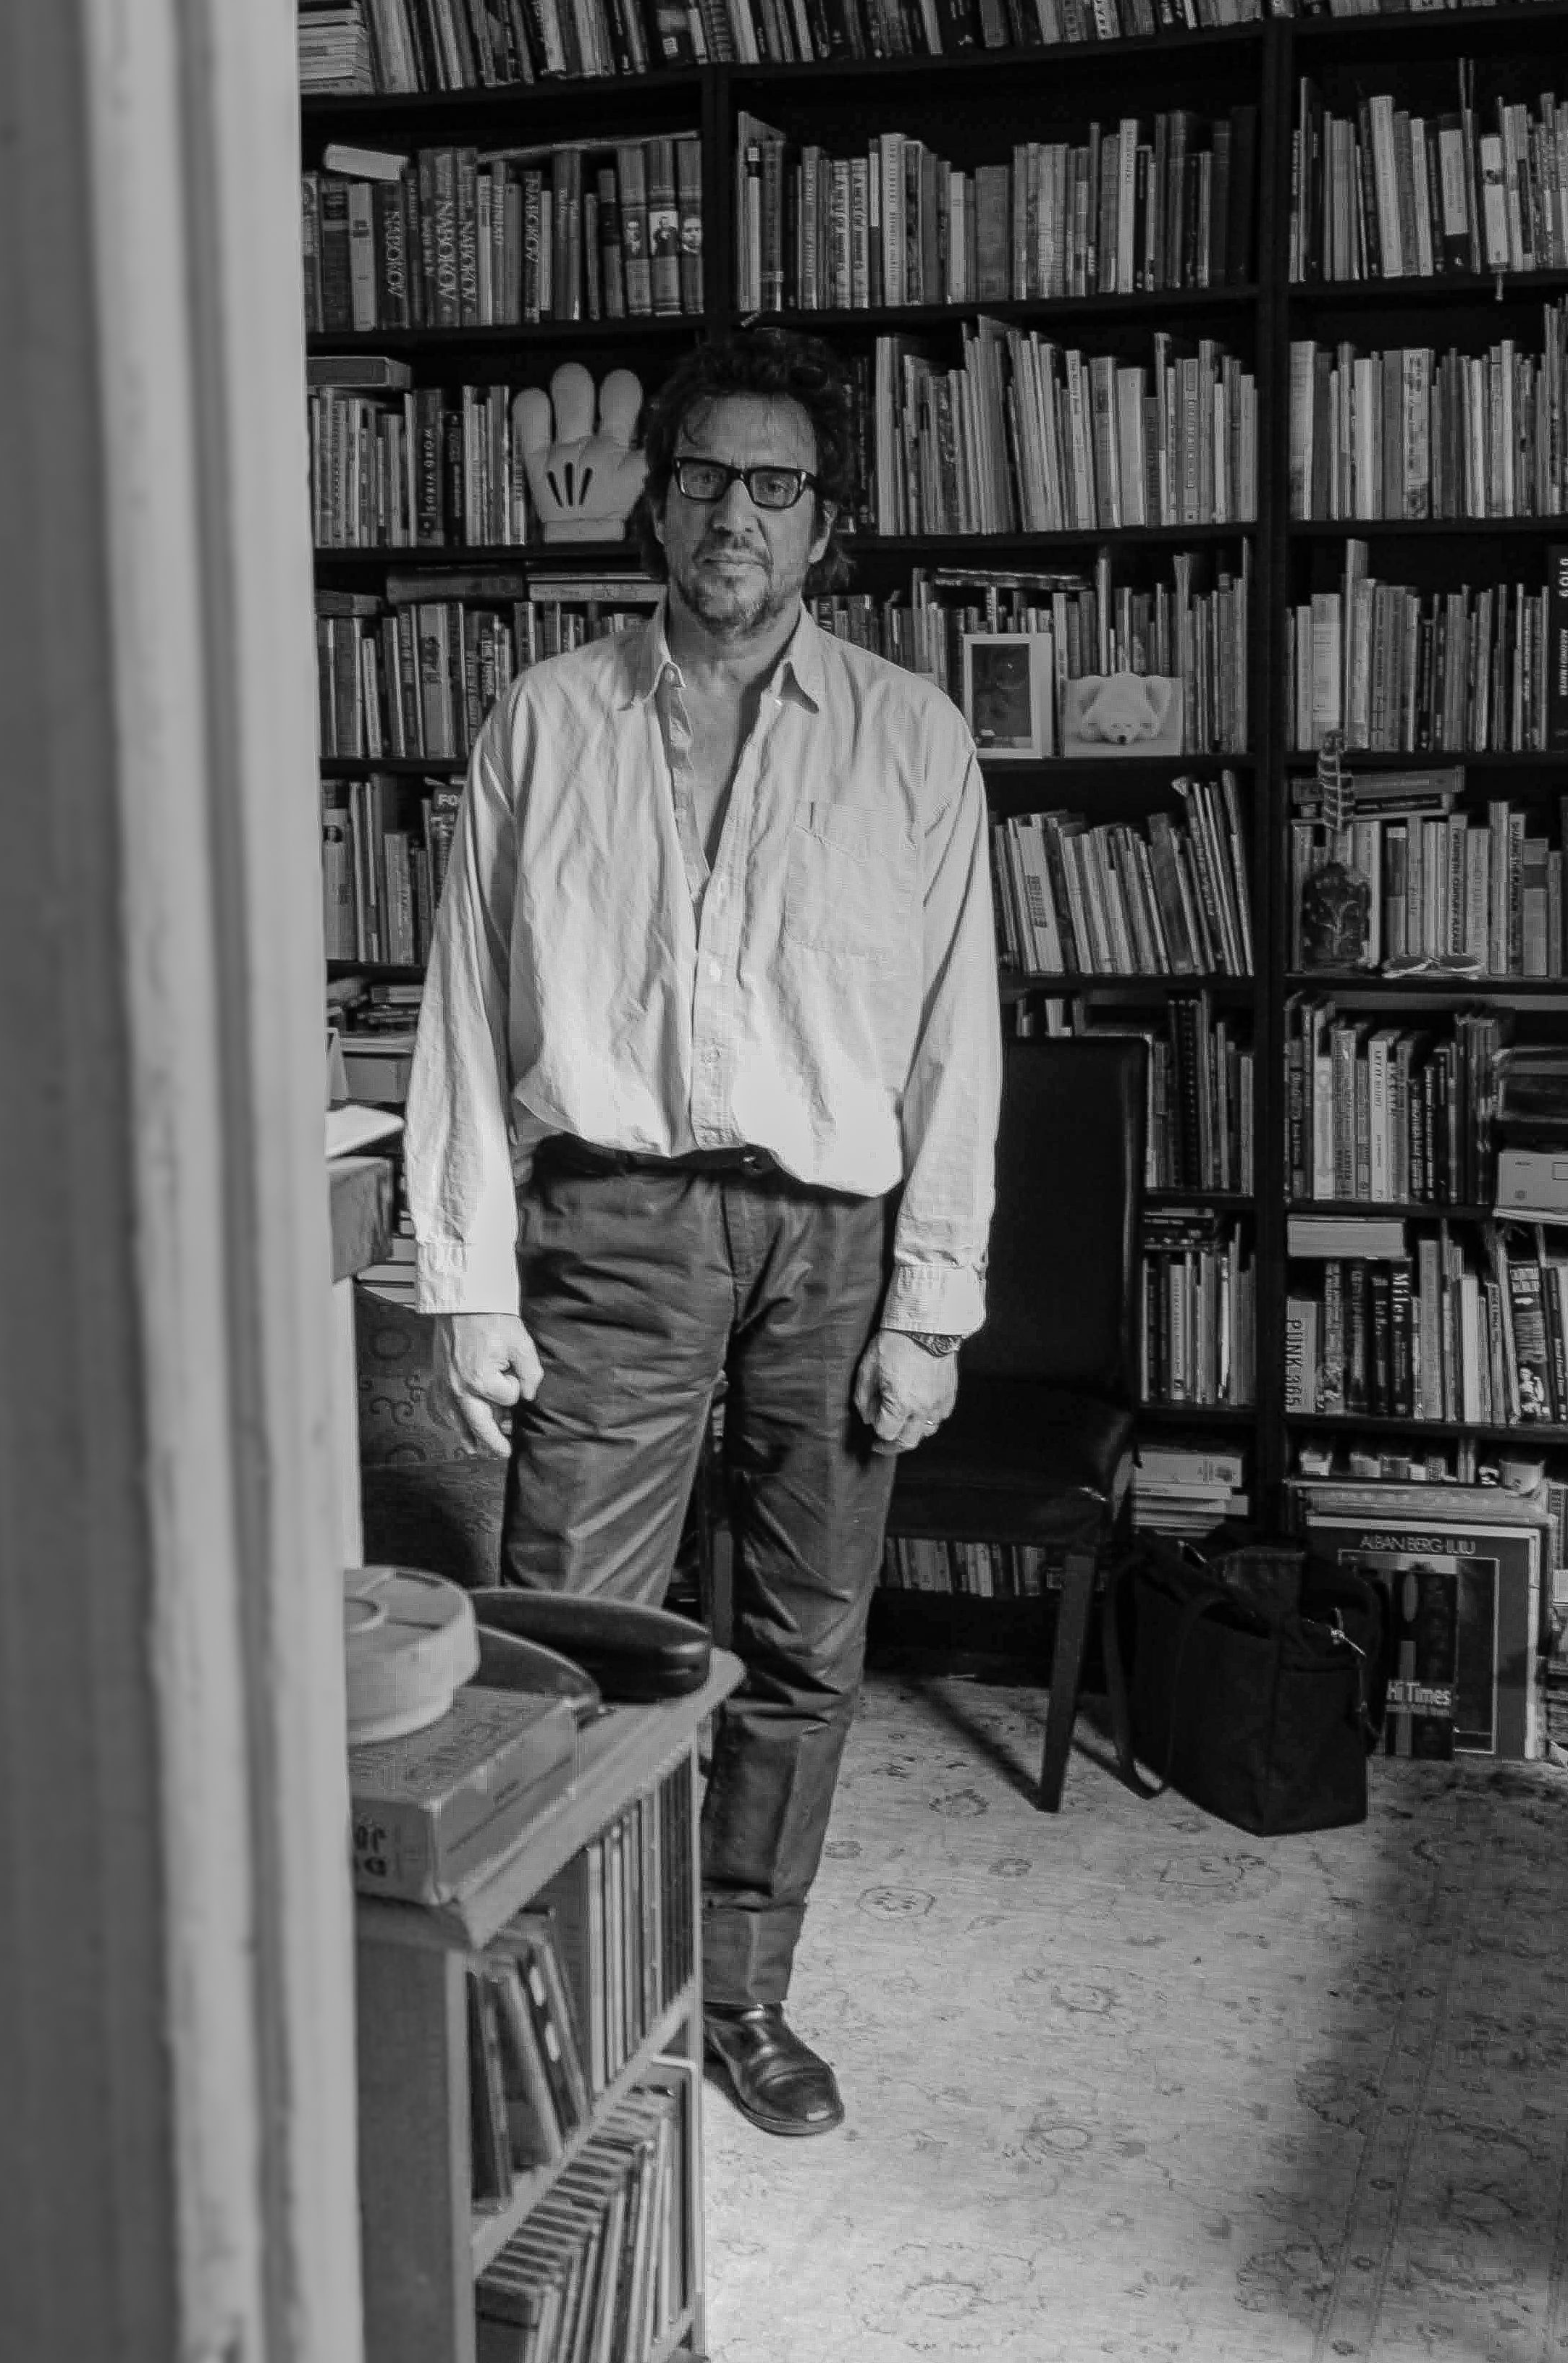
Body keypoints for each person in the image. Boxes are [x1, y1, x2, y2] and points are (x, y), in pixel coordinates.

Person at [403, 327, 1000, 2139]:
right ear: (655, 507)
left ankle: (740, 1996)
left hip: (834, 1240)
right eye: (703, 479)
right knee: (579, 1639)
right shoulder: (544, 721)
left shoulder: (912, 739)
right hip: (614, 1229)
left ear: (830, 523)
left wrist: (933, 1305)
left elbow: (956, 1037)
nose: (736, 514)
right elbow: (457, 1010)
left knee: (812, 1649)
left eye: (776, 484)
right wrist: (467, 1282)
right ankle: (572, 2002)